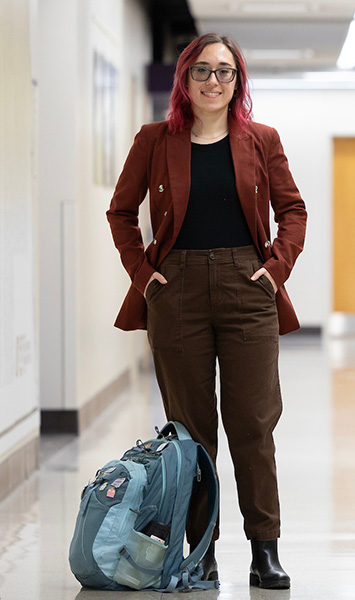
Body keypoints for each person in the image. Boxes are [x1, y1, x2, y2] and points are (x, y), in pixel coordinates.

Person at [106, 33, 307, 590]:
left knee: (253, 426)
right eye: (202, 71)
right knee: (190, 433)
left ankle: (265, 551)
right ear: (185, 79)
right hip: (177, 291)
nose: (213, 81)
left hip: (248, 288)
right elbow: (120, 212)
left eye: (225, 72)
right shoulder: (154, 140)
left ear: (237, 81)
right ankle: (201, 551)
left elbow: (293, 210)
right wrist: (144, 278)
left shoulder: (262, 140)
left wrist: (276, 268)